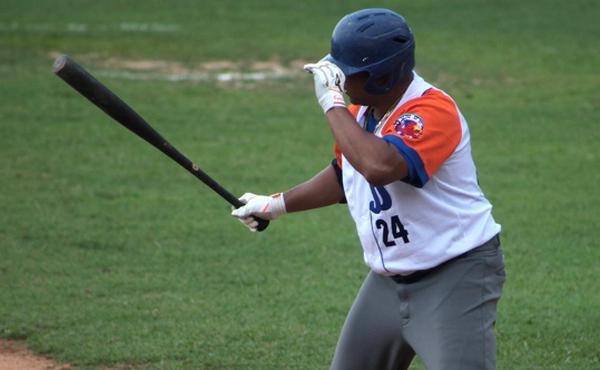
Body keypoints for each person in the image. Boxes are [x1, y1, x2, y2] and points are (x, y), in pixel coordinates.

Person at [231, 8, 506, 370]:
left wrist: (332, 104)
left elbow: (378, 166)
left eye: (348, 75)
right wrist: (276, 205)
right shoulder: (364, 112)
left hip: (456, 275)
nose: (340, 82)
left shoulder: (432, 110)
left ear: (382, 77)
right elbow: (346, 174)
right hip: (387, 285)